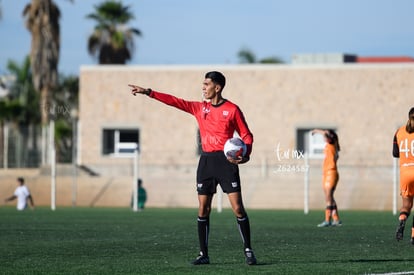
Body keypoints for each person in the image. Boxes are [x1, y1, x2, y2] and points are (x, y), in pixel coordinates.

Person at [128, 71, 257, 265]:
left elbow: (247, 135)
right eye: (203, 84)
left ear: (218, 87)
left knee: (238, 208)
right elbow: (175, 101)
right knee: (203, 209)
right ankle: (203, 254)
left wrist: (245, 154)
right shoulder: (199, 108)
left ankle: (248, 250)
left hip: (226, 163)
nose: (203, 88)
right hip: (205, 163)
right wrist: (149, 92)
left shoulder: (232, 109)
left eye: (206, 84)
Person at [312, 129, 342, 227]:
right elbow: (327, 133)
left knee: (329, 197)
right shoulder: (331, 144)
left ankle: (327, 219)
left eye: (325, 136)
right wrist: (317, 131)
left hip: (331, 173)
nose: (324, 137)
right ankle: (336, 219)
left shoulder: (332, 145)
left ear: (330, 138)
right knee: (329, 197)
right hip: (326, 173)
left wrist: (316, 130)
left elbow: (326, 132)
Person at [393, 107, 414, 244]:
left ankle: (402, 221)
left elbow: (395, 153)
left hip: (405, 173)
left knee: (406, 206)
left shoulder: (399, 131)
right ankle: (413, 236)